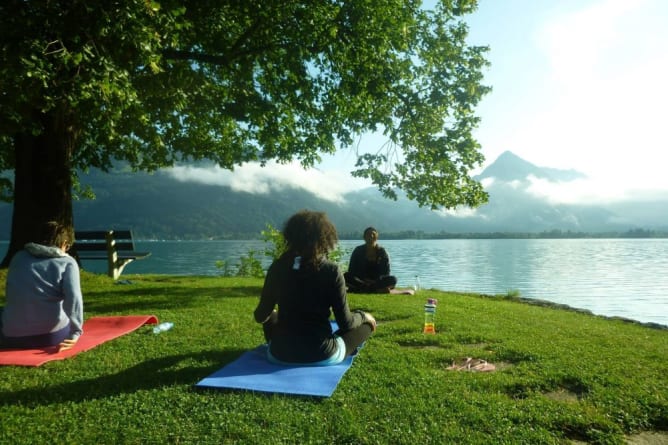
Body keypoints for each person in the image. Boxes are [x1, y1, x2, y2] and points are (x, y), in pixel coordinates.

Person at [254, 210, 376, 365]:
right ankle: (367, 320)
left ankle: (282, 343)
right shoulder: (331, 270)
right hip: (322, 355)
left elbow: (260, 316)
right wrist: (363, 316)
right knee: (366, 325)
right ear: (326, 238)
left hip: (279, 355)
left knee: (271, 314)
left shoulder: (277, 267)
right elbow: (346, 323)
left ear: (290, 236)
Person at [0, 221, 83, 352]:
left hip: (12, 337)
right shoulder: (67, 262)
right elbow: (74, 299)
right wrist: (76, 333)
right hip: (50, 337)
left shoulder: (19, 257)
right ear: (64, 243)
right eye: (68, 246)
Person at [344, 227, 398, 293]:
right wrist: (364, 279)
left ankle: (362, 288)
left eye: (373, 234)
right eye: (368, 234)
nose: (371, 236)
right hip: (361, 280)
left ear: (376, 237)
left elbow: (386, 273)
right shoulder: (358, 250)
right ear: (364, 237)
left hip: (376, 281)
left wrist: (374, 281)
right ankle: (374, 289)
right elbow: (351, 270)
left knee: (393, 279)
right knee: (345, 276)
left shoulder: (382, 252)